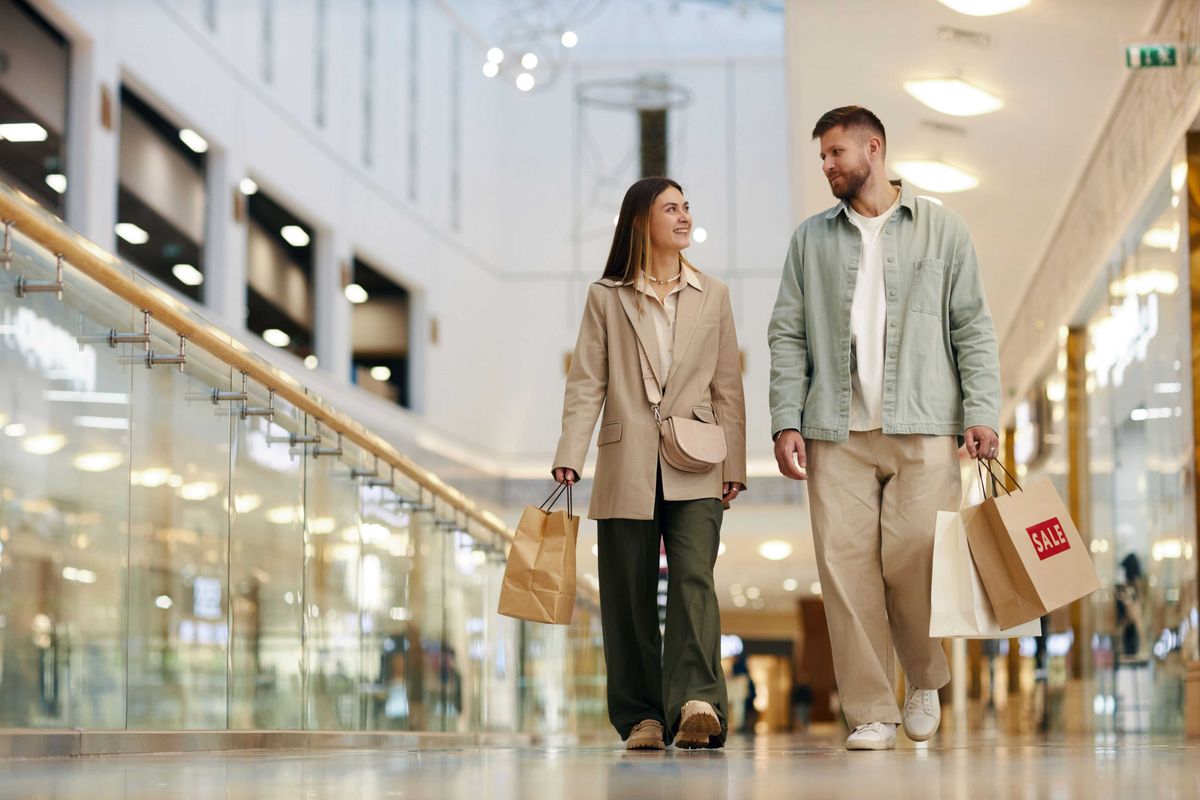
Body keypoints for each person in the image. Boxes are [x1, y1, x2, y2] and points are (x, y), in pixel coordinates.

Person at [767, 106, 1001, 751]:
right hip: (834, 429)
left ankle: (923, 677)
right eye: (822, 157)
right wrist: (785, 418)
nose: (827, 166)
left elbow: (972, 325)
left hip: (924, 424)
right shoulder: (809, 240)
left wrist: (982, 409)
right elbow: (786, 333)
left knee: (914, 561)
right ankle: (871, 708)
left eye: (837, 153)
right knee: (846, 572)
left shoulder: (942, 230)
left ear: (874, 149)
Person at [552, 176, 747, 750]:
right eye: (671, 208)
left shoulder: (713, 294)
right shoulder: (606, 296)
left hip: (698, 456)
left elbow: (728, 383)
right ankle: (642, 717)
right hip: (625, 458)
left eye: (688, 206)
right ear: (641, 221)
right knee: (627, 590)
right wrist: (570, 453)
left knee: (694, 579)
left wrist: (733, 459)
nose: (685, 216)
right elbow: (586, 382)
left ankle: (697, 703)